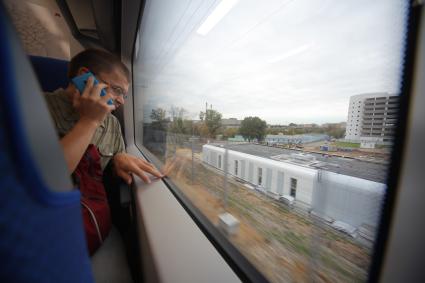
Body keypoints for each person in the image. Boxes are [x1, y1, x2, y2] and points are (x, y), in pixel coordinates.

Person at [44, 48, 163, 183]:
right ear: (85, 78)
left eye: (124, 95)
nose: (122, 101)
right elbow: (47, 177)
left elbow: (114, 160)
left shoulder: (112, 123)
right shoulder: (34, 105)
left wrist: (117, 160)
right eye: (117, 90)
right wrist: (90, 120)